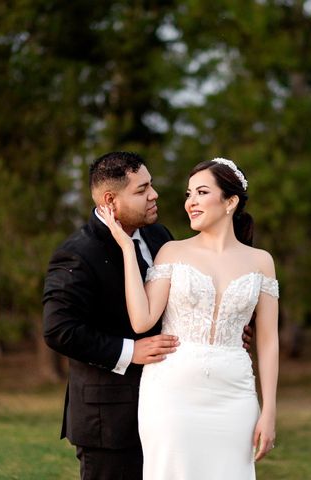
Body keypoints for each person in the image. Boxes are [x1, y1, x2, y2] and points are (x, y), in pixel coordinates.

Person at [42, 152, 253, 480]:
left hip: (173, 407)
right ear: (111, 200)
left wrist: (221, 329)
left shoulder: (159, 237)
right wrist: (129, 351)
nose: (154, 195)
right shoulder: (79, 253)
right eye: (141, 190)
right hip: (110, 422)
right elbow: (58, 329)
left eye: (151, 185)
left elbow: (178, 303)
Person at [100, 157, 279, 479]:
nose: (190, 202)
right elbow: (142, 322)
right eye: (188, 194)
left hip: (235, 395)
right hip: (171, 394)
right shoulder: (171, 251)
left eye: (201, 192)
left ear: (231, 201)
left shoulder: (261, 262)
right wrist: (127, 249)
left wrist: (269, 411)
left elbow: (267, 341)